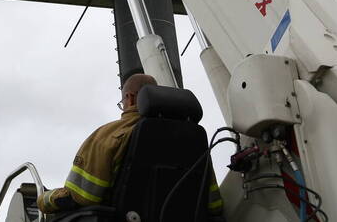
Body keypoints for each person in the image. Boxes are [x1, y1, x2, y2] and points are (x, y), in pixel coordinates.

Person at [37, 73, 223, 219]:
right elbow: (214, 205)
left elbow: (81, 197)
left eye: (122, 103)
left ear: (130, 98)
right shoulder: (194, 140)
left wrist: (45, 199)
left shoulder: (107, 135)